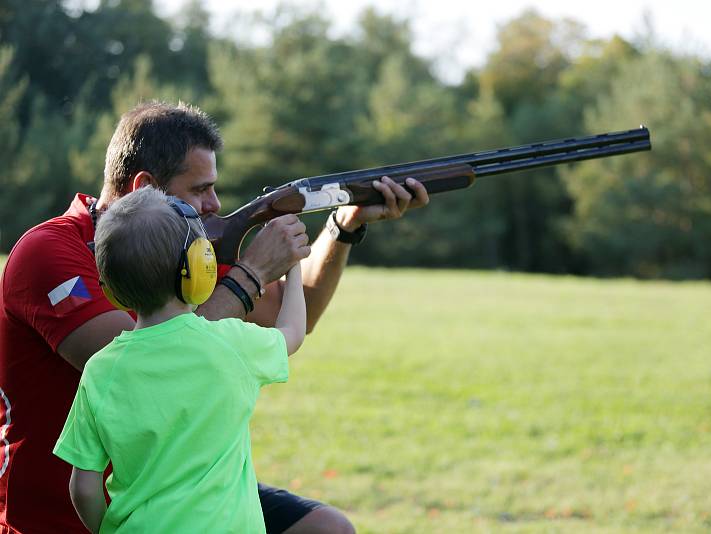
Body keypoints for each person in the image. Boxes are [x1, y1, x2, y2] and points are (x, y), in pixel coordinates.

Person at [0, 101, 429, 533]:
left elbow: (294, 312)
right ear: (145, 186)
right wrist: (252, 272)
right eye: (200, 189)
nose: (215, 203)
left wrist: (343, 225)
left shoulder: (183, 251)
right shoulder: (49, 252)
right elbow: (155, 357)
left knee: (327, 529)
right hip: (58, 520)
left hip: (178, 491)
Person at [54, 187, 306, 533]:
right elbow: (292, 331)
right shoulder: (229, 343)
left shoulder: (101, 370)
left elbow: (83, 487)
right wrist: (293, 269)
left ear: (109, 287)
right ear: (199, 266)